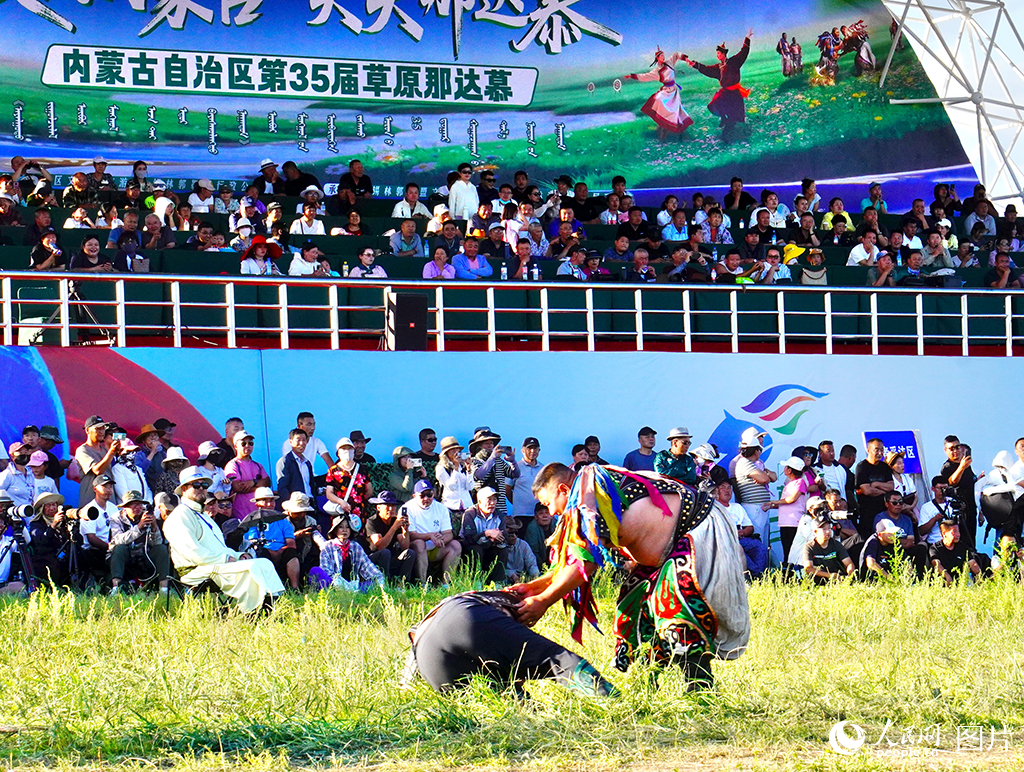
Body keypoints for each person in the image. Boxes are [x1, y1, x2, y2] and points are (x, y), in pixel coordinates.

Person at [514, 463, 749, 689]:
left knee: (677, 608)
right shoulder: (588, 491)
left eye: (548, 503)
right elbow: (572, 562)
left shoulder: (591, 499)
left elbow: (585, 564)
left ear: (564, 490)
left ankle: (699, 686)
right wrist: (535, 588)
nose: (551, 511)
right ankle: (649, 681)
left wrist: (544, 601)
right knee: (634, 606)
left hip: (697, 530)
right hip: (669, 546)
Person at [401, 590, 617, 698]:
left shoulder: (427, 620)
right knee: (554, 660)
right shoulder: (501, 600)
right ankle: (614, 702)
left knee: (505, 697)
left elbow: (407, 681)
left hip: (429, 662)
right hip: (463, 615)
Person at [164, 466, 284, 613]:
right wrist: (225, 558)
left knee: (264, 563)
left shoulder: (204, 516)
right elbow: (191, 553)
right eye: (196, 485)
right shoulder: (180, 515)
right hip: (195, 570)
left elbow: (220, 548)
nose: (201, 488)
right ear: (183, 489)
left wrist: (238, 555)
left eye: (204, 485)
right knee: (250, 568)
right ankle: (251, 613)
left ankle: (270, 608)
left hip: (216, 564)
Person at [683, 31, 754, 136]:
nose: (717, 56)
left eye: (719, 53)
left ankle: (734, 132)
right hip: (725, 93)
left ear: (724, 54)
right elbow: (706, 69)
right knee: (713, 105)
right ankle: (724, 119)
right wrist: (695, 64)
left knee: (737, 119)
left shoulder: (734, 62)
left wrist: (747, 38)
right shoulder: (718, 67)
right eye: (717, 54)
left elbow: (743, 52)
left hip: (735, 94)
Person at [622, 48, 694, 140]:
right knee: (658, 98)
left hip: (674, 92)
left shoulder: (669, 63)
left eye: (663, 55)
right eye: (661, 56)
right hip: (666, 90)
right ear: (657, 58)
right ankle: (663, 128)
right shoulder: (656, 71)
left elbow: (676, 55)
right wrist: (632, 76)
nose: (663, 57)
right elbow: (645, 76)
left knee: (675, 111)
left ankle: (681, 133)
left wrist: (686, 59)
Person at [108, 490, 171, 594]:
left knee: (161, 549)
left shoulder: (146, 516)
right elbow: (118, 540)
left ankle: (164, 589)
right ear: (125, 507)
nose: (137, 507)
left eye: (139, 504)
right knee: (119, 548)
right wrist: (139, 527)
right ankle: (116, 588)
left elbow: (157, 543)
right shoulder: (116, 518)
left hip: (143, 555)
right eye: (133, 505)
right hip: (125, 556)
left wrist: (154, 527)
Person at [401, 480, 462, 584]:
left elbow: (448, 533)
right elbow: (410, 535)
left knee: (456, 545)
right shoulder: (407, 508)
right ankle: (422, 584)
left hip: (436, 548)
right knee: (420, 544)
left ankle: (446, 584)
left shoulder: (441, 508)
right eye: (422, 495)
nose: (426, 499)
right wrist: (430, 536)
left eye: (429, 495)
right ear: (414, 496)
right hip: (416, 549)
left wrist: (441, 540)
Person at [713, 471, 768, 577]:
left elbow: (750, 527)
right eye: (723, 487)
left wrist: (742, 532)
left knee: (760, 547)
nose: (727, 490)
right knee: (738, 549)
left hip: (741, 537)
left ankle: (758, 575)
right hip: (725, 540)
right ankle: (756, 575)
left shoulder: (737, 507)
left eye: (729, 487)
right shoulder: (714, 508)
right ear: (716, 491)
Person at [316, 514, 384, 591]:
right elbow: (326, 570)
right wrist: (339, 585)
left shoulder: (355, 547)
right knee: (315, 571)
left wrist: (380, 581)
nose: (344, 530)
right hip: (334, 585)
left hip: (354, 587)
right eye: (341, 527)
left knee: (373, 584)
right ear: (335, 530)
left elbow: (368, 566)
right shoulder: (328, 547)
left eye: (347, 527)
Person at [733, 427, 776, 548]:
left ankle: (764, 565)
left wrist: (763, 474)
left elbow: (770, 477)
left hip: (760, 508)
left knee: (764, 540)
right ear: (756, 451)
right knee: (758, 540)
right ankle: (759, 565)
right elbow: (765, 479)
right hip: (753, 508)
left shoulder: (754, 464)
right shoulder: (744, 462)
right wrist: (763, 475)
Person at [762, 455, 808, 562]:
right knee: (787, 550)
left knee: (794, 550)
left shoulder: (800, 482)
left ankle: (795, 572)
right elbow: (785, 502)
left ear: (790, 470)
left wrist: (774, 502)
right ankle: (788, 573)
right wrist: (770, 506)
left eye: (786, 467)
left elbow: (792, 499)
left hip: (794, 522)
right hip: (785, 522)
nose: (784, 469)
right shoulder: (789, 484)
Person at [459, 486, 508, 584]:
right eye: (489, 500)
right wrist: (487, 533)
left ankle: (498, 583)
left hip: (490, 544)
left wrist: (494, 539)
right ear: (480, 501)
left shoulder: (499, 515)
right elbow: (469, 538)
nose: (493, 503)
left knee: (502, 550)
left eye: (494, 499)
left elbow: (504, 536)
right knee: (475, 550)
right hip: (470, 546)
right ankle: (475, 582)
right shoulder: (470, 514)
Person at [363, 491, 415, 583]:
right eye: (387, 506)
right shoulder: (372, 522)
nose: (391, 509)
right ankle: (385, 583)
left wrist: (405, 531)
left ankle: (402, 585)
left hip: (391, 558)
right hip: (373, 561)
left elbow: (405, 546)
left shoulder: (395, 521)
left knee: (410, 553)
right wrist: (394, 527)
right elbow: (379, 546)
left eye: (393, 506)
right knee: (385, 553)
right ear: (378, 507)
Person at [470, 428, 520, 520]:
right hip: (482, 509)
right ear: (479, 446)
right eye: (486, 443)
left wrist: (512, 461)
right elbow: (479, 475)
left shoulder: (499, 461)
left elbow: (515, 474)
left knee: (500, 533)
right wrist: (492, 458)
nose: (490, 445)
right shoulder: (474, 461)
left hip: (500, 508)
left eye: (491, 443)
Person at [226, 432, 271, 523]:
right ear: (235, 446)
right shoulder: (232, 465)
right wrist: (259, 485)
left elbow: (267, 482)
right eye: (243, 443)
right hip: (242, 515)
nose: (247, 446)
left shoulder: (258, 465)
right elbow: (238, 487)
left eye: (250, 443)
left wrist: (252, 482)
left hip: (259, 513)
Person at [854, 438, 894, 538]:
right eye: (876, 450)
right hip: (867, 512)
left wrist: (876, 484)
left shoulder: (885, 467)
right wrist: (884, 491)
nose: (880, 453)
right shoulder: (862, 467)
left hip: (884, 510)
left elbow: (891, 487)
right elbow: (867, 491)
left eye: (882, 450)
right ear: (868, 450)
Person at [801, 515, 855, 585]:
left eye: (829, 528)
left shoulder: (836, 544)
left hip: (836, 580)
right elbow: (808, 569)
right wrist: (830, 575)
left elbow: (849, 563)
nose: (828, 531)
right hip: (817, 581)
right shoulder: (809, 547)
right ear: (815, 531)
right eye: (824, 529)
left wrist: (849, 576)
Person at [930, 517, 983, 585]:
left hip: (961, 582)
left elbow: (972, 563)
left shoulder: (963, 547)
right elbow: (936, 564)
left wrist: (979, 576)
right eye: (954, 532)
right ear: (944, 533)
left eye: (958, 531)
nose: (958, 535)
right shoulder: (935, 548)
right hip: (942, 583)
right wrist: (947, 577)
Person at [436, 436, 474, 520]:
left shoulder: (462, 466)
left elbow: (470, 487)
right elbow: (451, 487)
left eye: (458, 451)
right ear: (446, 453)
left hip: (467, 506)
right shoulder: (441, 468)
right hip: (450, 506)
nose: (457, 453)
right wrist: (455, 469)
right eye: (453, 451)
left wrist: (469, 470)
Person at [503, 518, 539, 583]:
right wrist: (511, 574)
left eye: (516, 533)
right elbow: (497, 568)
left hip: (523, 577)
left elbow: (531, 564)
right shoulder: (497, 547)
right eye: (510, 533)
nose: (514, 536)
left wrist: (535, 576)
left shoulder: (523, 545)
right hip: (505, 578)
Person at [523, 503, 555, 570]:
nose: (545, 516)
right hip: (539, 564)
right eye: (541, 513)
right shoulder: (532, 528)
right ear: (536, 517)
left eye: (547, 512)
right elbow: (533, 552)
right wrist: (544, 568)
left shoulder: (557, 525)